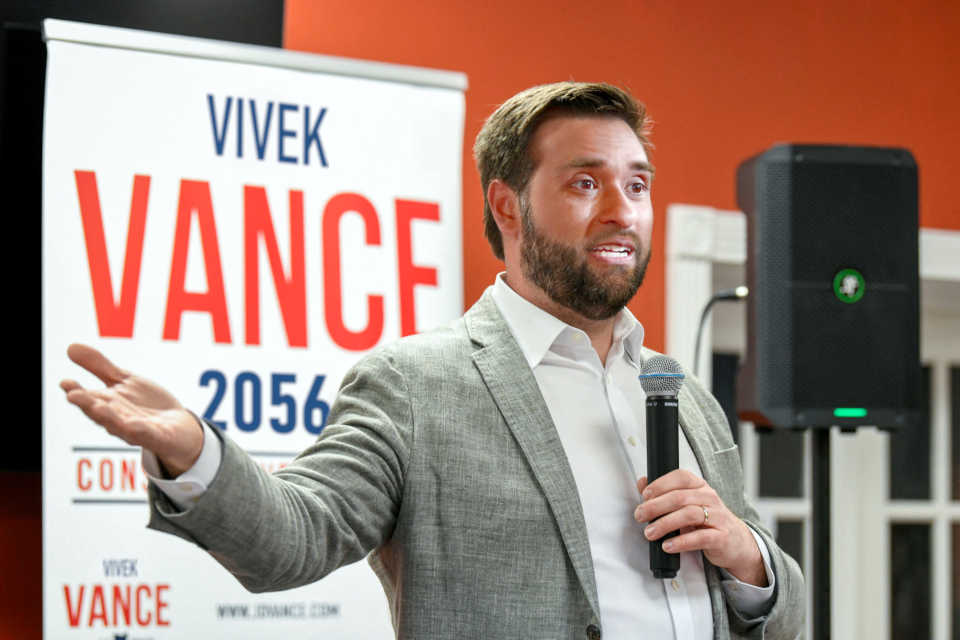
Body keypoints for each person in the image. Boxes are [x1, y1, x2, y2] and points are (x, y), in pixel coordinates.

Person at [62, 81, 804, 639]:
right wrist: (195, 454)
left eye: (637, 184)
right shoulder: (415, 386)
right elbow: (294, 537)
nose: (622, 210)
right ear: (507, 206)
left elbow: (781, 615)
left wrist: (749, 558)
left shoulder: (683, 396)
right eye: (586, 182)